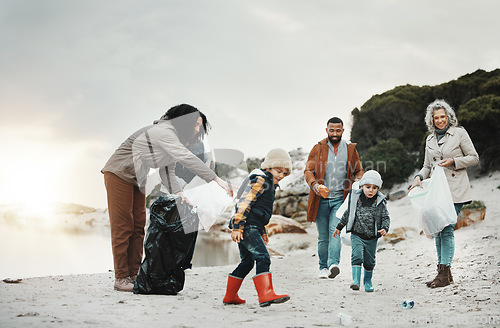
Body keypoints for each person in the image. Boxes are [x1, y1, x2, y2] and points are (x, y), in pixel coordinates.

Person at [101, 104, 233, 292]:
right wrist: (216, 179)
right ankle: (121, 277)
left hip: (137, 179)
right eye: (195, 124)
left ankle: (136, 274)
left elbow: (167, 171)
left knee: (138, 226)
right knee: (123, 226)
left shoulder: (176, 139)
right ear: (184, 120)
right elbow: (185, 157)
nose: (198, 129)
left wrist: (179, 195)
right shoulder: (163, 131)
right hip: (118, 172)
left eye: (200, 126)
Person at [409, 99, 479, 288]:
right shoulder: (429, 139)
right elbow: (426, 166)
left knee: (446, 229)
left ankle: (444, 273)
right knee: (438, 230)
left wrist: (453, 161)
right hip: (436, 191)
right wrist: (418, 177)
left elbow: (474, 158)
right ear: (431, 120)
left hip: (455, 190)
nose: (440, 120)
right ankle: (443, 273)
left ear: (449, 117)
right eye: (436, 118)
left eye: (443, 117)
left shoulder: (459, 133)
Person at [223, 148, 291, 307]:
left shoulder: (270, 184)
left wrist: (263, 232)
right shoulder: (260, 180)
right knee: (263, 257)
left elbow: (259, 212)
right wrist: (237, 227)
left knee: (247, 261)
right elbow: (244, 203)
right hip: (246, 227)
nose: (281, 175)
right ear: (268, 168)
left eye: (285, 173)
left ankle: (230, 296)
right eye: (278, 170)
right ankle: (266, 294)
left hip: (253, 226)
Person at [304, 117, 364, 279]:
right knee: (323, 237)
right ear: (327, 130)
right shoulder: (317, 148)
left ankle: (333, 264)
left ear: (343, 131)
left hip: (340, 199)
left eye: (338, 130)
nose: (335, 133)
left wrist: (358, 180)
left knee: (335, 232)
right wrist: (315, 185)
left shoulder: (350, 149)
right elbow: (308, 171)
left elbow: (359, 170)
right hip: (320, 200)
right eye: (332, 130)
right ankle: (322, 267)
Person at [333, 170, 390, 292]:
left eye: (375, 188)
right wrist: (339, 227)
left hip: (372, 237)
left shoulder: (379, 202)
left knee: (369, 261)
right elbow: (347, 214)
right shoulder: (356, 199)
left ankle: (368, 281)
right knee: (357, 255)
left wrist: (385, 228)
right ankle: (355, 281)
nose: (371, 190)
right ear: (362, 186)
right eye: (368, 187)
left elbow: (385, 217)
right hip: (357, 234)